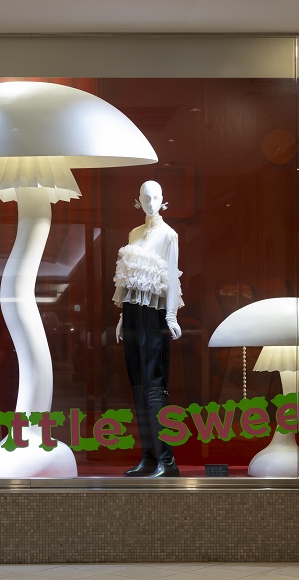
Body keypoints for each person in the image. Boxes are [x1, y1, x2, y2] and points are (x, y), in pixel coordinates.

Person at [113, 180, 183, 477]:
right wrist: (122, 316)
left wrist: (171, 317)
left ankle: (167, 461)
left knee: (154, 386)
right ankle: (149, 458)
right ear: (138, 200)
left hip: (155, 314)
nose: (151, 202)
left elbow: (171, 278)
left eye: (155, 197)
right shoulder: (134, 233)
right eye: (145, 197)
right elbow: (129, 281)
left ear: (163, 198)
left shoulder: (169, 235)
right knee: (138, 385)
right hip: (132, 314)